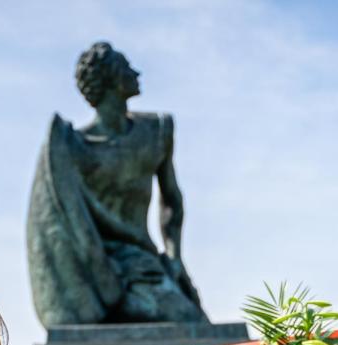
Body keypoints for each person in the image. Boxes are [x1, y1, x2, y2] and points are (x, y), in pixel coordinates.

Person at [26, 41, 208, 325]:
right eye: (126, 68)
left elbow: (172, 200)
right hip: (93, 268)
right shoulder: (72, 147)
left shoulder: (156, 131)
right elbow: (57, 223)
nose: (136, 72)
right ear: (110, 80)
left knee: (193, 322)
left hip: (142, 262)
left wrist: (174, 257)